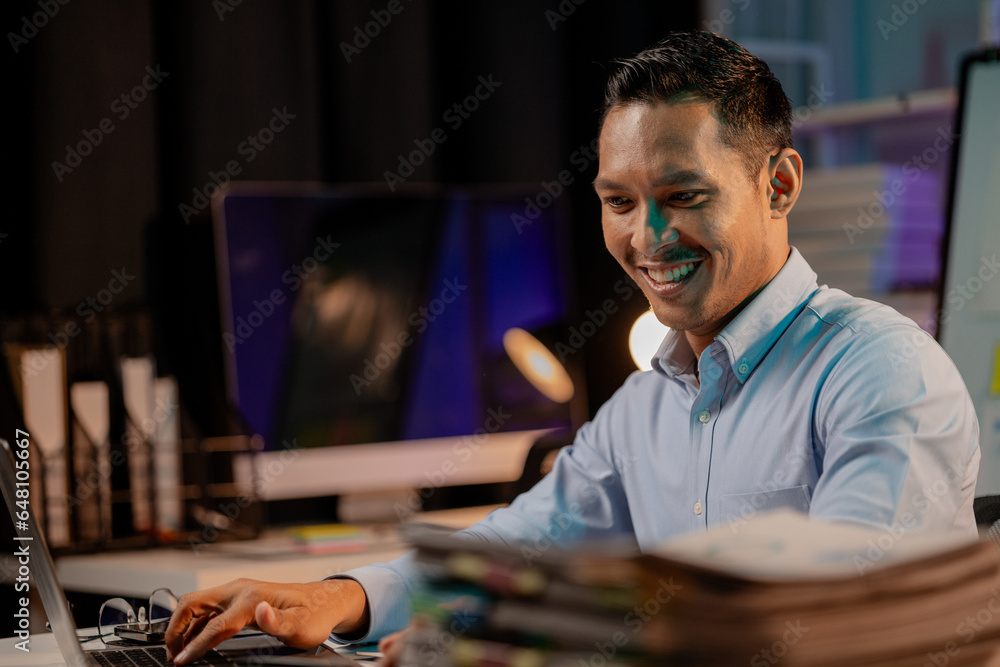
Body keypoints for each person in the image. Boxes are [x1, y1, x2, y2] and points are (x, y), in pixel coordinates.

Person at [165, 30, 980, 665]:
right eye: (618, 201)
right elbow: (520, 546)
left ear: (780, 184)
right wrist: (337, 596)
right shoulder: (648, 401)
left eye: (682, 196)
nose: (647, 237)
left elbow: (833, 613)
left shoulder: (882, 370)